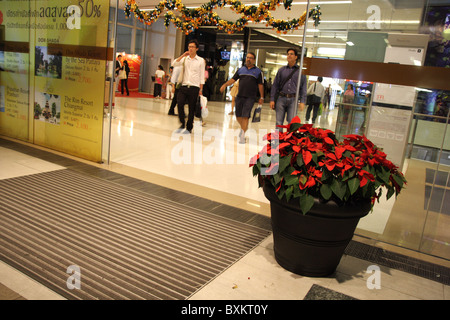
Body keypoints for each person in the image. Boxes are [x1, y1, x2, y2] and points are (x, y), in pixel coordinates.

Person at [220, 52, 264, 144]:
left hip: (250, 97)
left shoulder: (258, 72)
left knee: (245, 116)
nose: (248, 59)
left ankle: (243, 134)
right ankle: (243, 128)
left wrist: (262, 97)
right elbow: (233, 80)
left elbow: (260, 85)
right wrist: (225, 85)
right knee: (238, 115)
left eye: (251, 58)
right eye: (247, 57)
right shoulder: (240, 70)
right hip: (239, 96)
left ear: (254, 60)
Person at [172, 39, 205, 134]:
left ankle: (189, 127)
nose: (190, 49)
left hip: (194, 87)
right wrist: (183, 55)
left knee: (192, 108)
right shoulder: (185, 59)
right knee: (180, 103)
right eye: (189, 47)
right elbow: (174, 64)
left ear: (197, 49)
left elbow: (202, 76)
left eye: (192, 47)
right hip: (184, 85)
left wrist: (201, 89)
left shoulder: (200, 61)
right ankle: (182, 122)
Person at [270, 48, 307, 130]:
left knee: (291, 123)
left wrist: (302, 101)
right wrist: (272, 99)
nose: (289, 55)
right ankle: (277, 141)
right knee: (278, 122)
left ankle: (289, 142)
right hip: (281, 98)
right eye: (288, 54)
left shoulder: (301, 71)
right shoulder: (281, 70)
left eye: (291, 54)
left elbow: (303, 87)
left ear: (296, 57)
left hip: (293, 99)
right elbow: (275, 85)